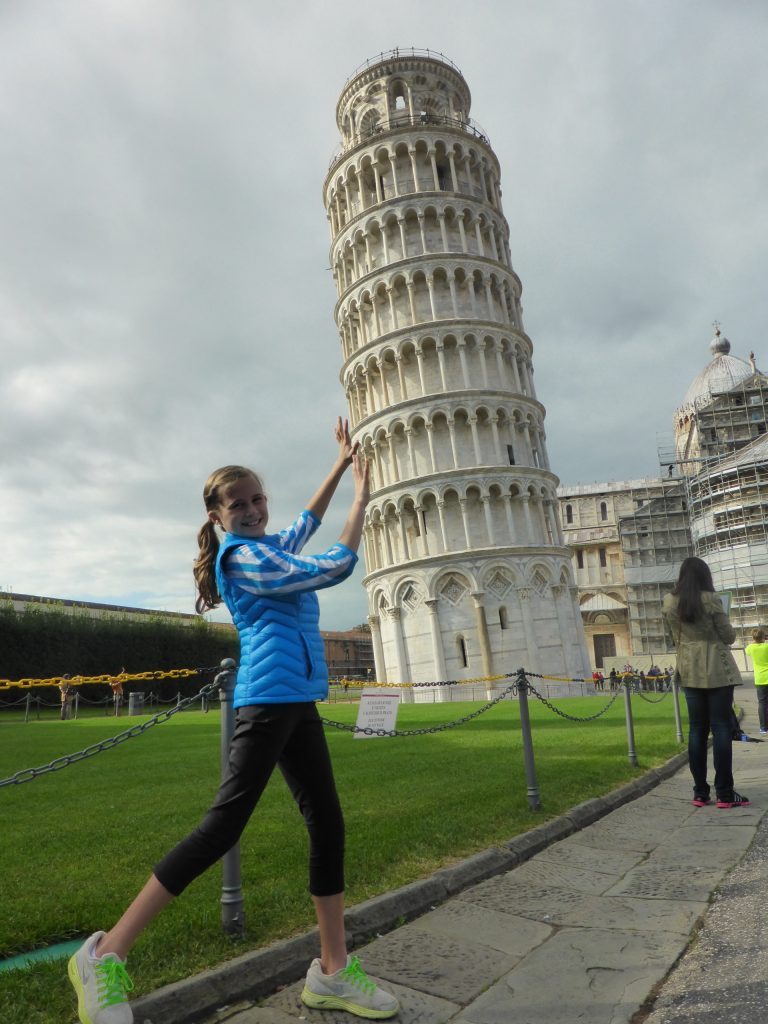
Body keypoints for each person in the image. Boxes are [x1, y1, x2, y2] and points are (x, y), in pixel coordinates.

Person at [67, 418, 399, 1024]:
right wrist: (362, 500)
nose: (251, 510)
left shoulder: (267, 542)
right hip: (268, 700)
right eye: (237, 504)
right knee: (221, 828)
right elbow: (330, 567)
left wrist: (342, 465)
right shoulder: (244, 558)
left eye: (257, 499)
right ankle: (105, 954)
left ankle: (331, 971)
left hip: (296, 701)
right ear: (218, 517)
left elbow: (304, 523)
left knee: (328, 825)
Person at [662, 556, 749, 809]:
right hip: (717, 668)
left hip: (688, 667)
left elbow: (673, 637)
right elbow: (729, 636)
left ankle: (700, 792)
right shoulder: (711, 599)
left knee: (696, 730)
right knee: (721, 728)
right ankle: (725, 792)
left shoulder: (669, 601)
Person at [745, 627, 768, 735]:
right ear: (764, 637)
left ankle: (763, 728)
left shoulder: (750, 648)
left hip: (760, 679)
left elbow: (747, 650)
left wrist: (756, 640)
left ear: (753, 637)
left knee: (762, 703)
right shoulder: (767, 646)